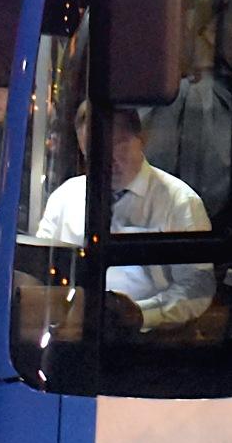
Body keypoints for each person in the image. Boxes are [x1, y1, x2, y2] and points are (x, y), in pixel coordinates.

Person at [35, 106, 215, 333]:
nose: (109, 160)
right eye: (94, 151)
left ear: (142, 139)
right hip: (74, 331)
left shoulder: (179, 201)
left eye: (119, 145)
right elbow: (41, 267)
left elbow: (197, 288)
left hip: (152, 338)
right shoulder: (65, 197)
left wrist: (141, 314)